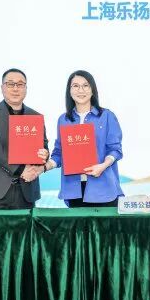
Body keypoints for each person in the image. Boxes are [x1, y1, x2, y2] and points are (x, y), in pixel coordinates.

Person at [44, 70, 123, 207]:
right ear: (69, 91)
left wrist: (103, 166)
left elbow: (115, 150)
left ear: (93, 90)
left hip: (103, 188)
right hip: (74, 190)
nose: (81, 90)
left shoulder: (106, 116)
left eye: (85, 85)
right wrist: (44, 167)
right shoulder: (63, 120)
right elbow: (59, 153)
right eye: (75, 86)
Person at [0, 68, 49, 209]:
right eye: (10, 84)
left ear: (26, 88)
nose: (15, 88)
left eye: (20, 84)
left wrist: (44, 154)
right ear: (2, 88)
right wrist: (20, 169)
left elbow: (43, 146)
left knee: (26, 225)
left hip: (26, 189)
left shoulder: (35, 116)